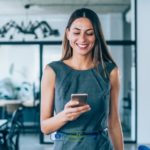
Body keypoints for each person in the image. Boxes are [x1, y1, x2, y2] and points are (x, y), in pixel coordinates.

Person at [40, 8, 124, 150]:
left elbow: (114, 121)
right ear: (67, 34)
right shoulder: (52, 71)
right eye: (76, 32)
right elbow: (45, 127)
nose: (82, 39)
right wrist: (65, 116)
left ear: (96, 36)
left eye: (89, 33)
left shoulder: (110, 71)